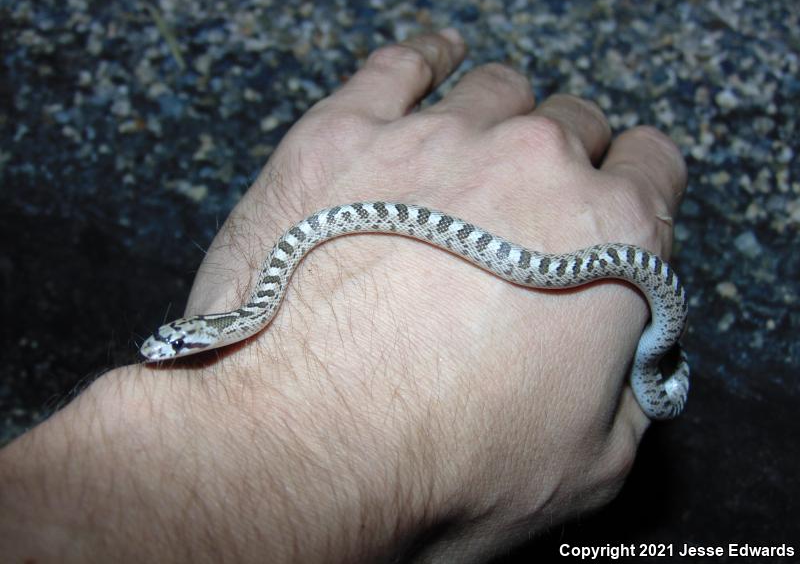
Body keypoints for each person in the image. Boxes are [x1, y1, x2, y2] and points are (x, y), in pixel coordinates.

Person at [0, 28, 686, 562]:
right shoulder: (258, 302)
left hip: (639, 300)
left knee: (659, 367)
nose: (167, 346)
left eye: (178, 338)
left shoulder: (267, 291)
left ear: (207, 333)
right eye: (178, 340)